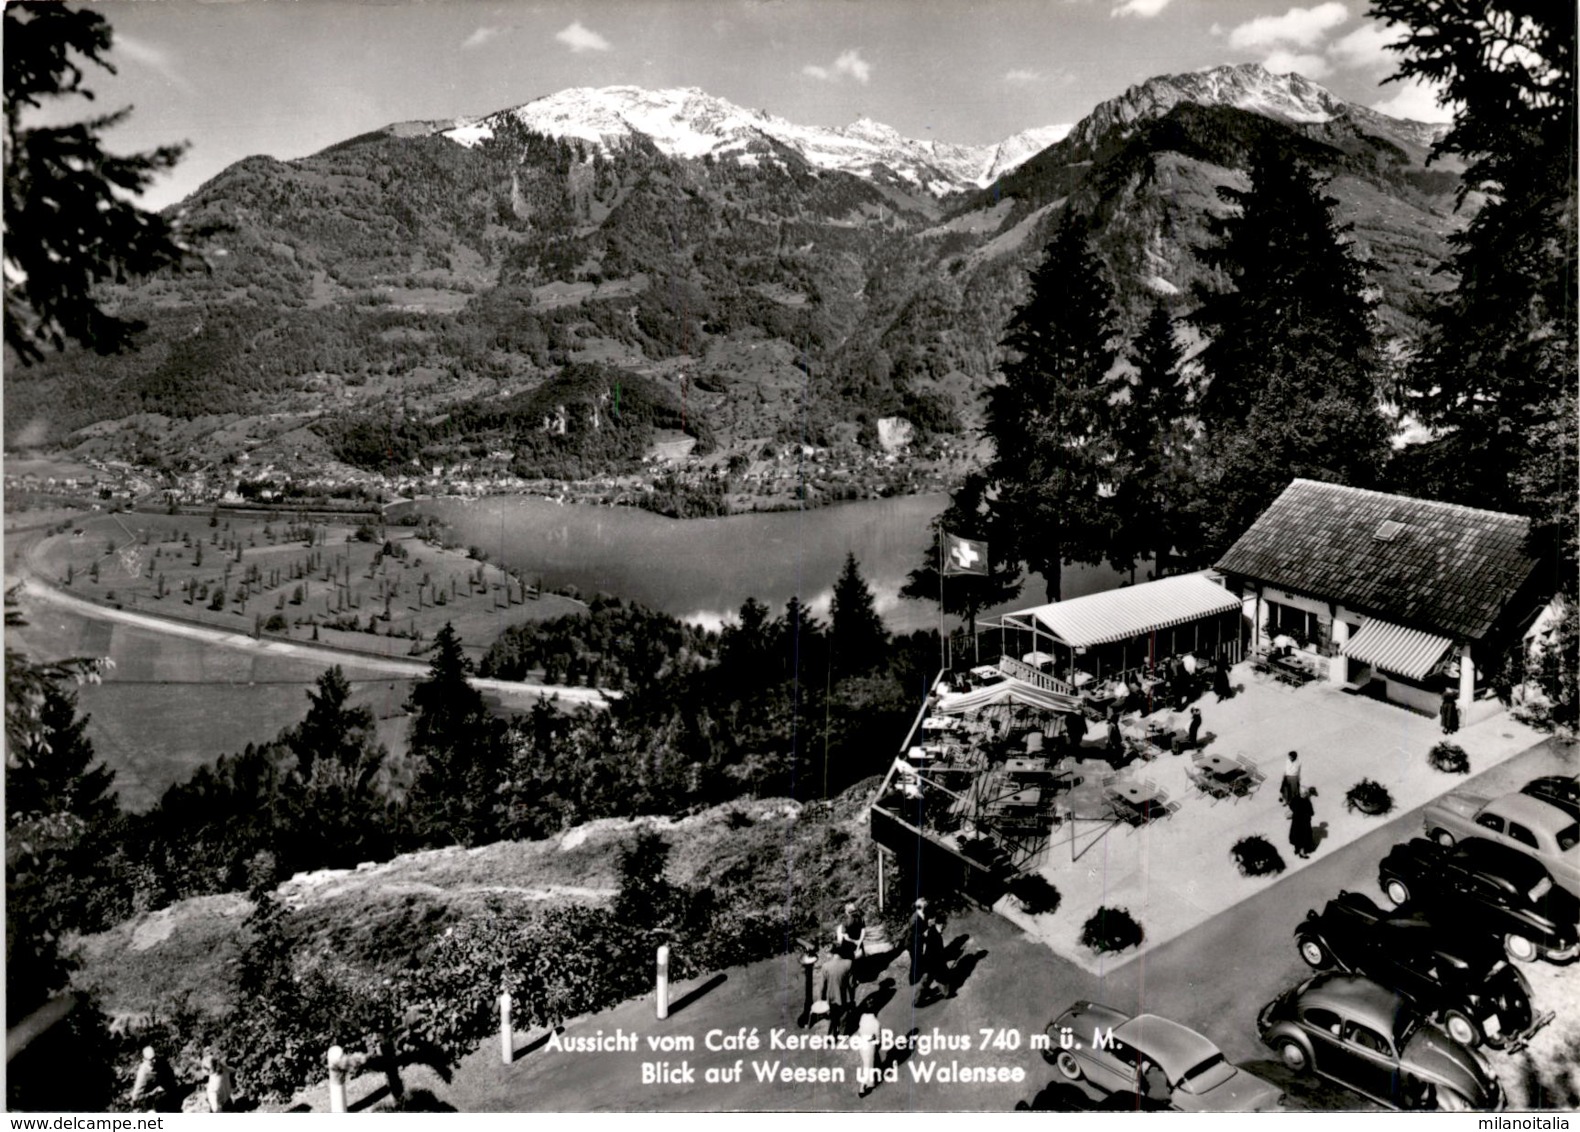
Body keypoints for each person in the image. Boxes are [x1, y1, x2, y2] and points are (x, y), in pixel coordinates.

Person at [1288, 786, 1317, 858]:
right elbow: (1311, 812)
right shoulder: (1306, 802)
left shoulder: (1295, 799)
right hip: (1304, 822)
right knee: (1304, 837)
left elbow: (1291, 806)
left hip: (1296, 821)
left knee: (1296, 835)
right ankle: (1302, 852)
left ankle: (1296, 850)